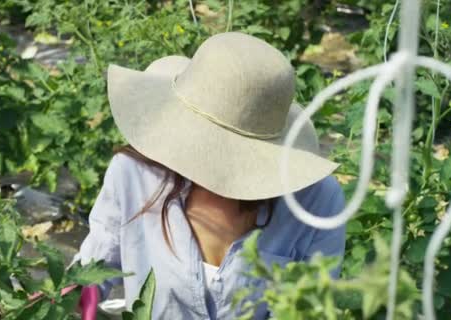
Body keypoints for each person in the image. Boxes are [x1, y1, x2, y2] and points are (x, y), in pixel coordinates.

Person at [70, 32, 346, 319]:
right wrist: (57, 303)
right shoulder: (135, 175)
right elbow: (92, 271)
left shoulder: (316, 203)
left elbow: (309, 309)